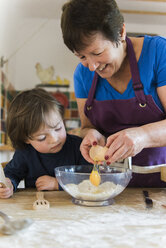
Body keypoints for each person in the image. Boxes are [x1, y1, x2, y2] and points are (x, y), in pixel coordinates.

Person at [61, 0, 166, 187]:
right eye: (82, 56)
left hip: (161, 183)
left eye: (97, 52)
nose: (92, 66)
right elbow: (87, 126)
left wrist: (143, 136)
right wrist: (92, 135)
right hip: (110, 185)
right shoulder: (82, 74)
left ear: (121, 32)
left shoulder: (159, 53)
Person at [0, 88, 91, 198]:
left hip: (74, 207)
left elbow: (90, 178)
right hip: (37, 208)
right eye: (42, 137)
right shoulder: (25, 152)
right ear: (26, 139)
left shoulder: (79, 146)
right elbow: (11, 173)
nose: (54, 139)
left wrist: (58, 184)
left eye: (58, 128)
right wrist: (8, 185)